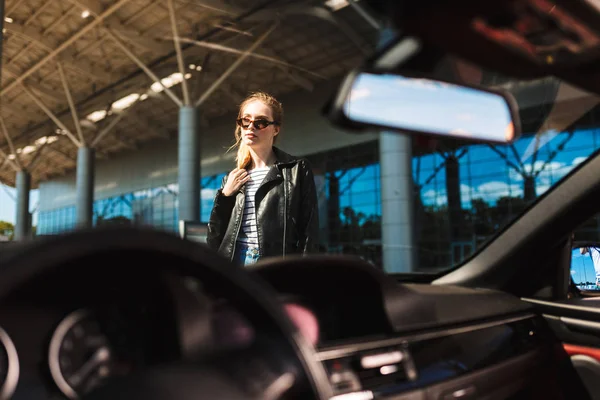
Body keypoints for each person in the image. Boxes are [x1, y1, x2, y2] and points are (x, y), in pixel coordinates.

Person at [207, 91, 319, 266]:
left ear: (276, 129)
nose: (251, 127)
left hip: (275, 264)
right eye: (246, 120)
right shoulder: (233, 177)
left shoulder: (297, 169)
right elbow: (214, 237)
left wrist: (302, 274)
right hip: (234, 263)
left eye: (260, 122)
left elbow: (309, 231)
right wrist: (225, 196)